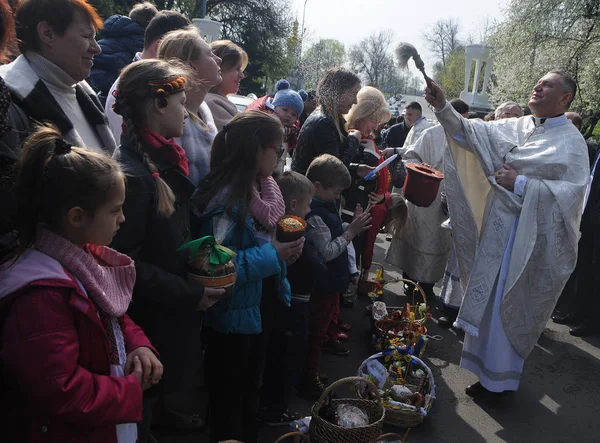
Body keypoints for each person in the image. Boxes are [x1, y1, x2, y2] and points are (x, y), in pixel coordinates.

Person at [424, 71, 589, 396]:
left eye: (548, 85)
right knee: (488, 305)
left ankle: (500, 383)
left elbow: (571, 198)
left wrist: (523, 184)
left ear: (565, 98)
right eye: (538, 81)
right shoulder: (520, 125)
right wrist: (443, 106)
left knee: (506, 305)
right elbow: (470, 133)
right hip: (497, 235)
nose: (538, 86)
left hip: (526, 243)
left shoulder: (572, 143)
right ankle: (484, 374)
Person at [0, 124, 161, 443]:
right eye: (115, 210)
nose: (122, 219)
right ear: (76, 217)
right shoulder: (41, 296)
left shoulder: (79, 261)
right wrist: (129, 392)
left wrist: (137, 343)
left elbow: (109, 313)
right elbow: (60, 390)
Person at [109, 59, 224, 441]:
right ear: (158, 106)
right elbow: (122, 265)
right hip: (149, 323)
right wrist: (189, 294)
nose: (186, 112)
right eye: (180, 102)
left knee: (151, 407)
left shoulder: (159, 164)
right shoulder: (135, 177)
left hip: (162, 318)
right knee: (137, 417)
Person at [192, 111, 304, 443]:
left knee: (247, 393)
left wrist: (284, 256)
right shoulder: (226, 197)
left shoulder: (262, 188)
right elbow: (213, 267)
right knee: (230, 398)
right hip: (230, 319)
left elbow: (263, 242)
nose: (281, 156)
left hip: (254, 309)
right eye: (278, 149)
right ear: (257, 149)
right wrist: (275, 255)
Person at [296, 154, 372, 400]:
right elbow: (326, 251)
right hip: (321, 284)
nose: (338, 197)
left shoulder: (325, 204)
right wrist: (351, 232)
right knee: (315, 332)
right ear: (317, 187)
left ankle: (311, 370)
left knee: (320, 328)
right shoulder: (314, 214)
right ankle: (307, 378)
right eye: (335, 192)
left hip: (330, 282)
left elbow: (337, 232)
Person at [0, 0, 116, 153]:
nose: (96, 48)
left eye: (94, 37)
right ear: (48, 34)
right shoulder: (8, 103)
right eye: (86, 35)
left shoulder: (83, 92)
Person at [386, 99, 469, 301]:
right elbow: (411, 156)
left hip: (448, 200)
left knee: (438, 243)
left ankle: (427, 286)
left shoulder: (467, 137)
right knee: (417, 238)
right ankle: (410, 281)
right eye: (463, 119)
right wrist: (426, 173)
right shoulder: (431, 134)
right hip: (424, 196)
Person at [258, 171, 314, 427]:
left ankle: (269, 407)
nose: (310, 209)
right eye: (307, 204)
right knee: (284, 361)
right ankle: (273, 411)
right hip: (287, 306)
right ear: (293, 205)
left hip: (279, 304)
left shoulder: (277, 225)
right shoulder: (290, 227)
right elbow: (307, 266)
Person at [104, 10, 192, 142]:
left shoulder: (151, 83)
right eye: (184, 52)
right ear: (159, 47)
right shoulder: (130, 88)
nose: (187, 62)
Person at [157, 27, 222, 186]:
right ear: (192, 66)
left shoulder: (203, 109)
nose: (219, 59)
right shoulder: (171, 117)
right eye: (209, 54)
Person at [342, 86, 394, 279]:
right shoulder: (353, 138)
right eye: (374, 120)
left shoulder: (366, 139)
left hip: (363, 211)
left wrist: (382, 197)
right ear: (361, 114)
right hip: (350, 212)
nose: (376, 126)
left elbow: (379, 180)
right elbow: (360, 176)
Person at [291, 67, 372, 179]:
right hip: (309, 193)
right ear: (338, 92)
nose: (355, 101)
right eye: (353, 94)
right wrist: (353, 141)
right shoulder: (324, 122)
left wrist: (356, 168)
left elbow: (333, 163)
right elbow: (334, 172)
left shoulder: (327, 117)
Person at [89, 2, 158, 103]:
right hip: (118, 84)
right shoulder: (140, 39)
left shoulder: (116, 32)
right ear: (150, 23)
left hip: (97, 81)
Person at [247, 79, 306, 174]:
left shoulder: (291, 130)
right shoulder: (263, 122)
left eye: (294, 114)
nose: (289, 115)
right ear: (274, 106)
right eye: (285, 109)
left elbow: (290, 147)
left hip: (275, 168)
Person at [205, 39, 248, 131]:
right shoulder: (212, 103)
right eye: (237, 69)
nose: (242, 75)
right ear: (219, 67)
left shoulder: (215, 100)